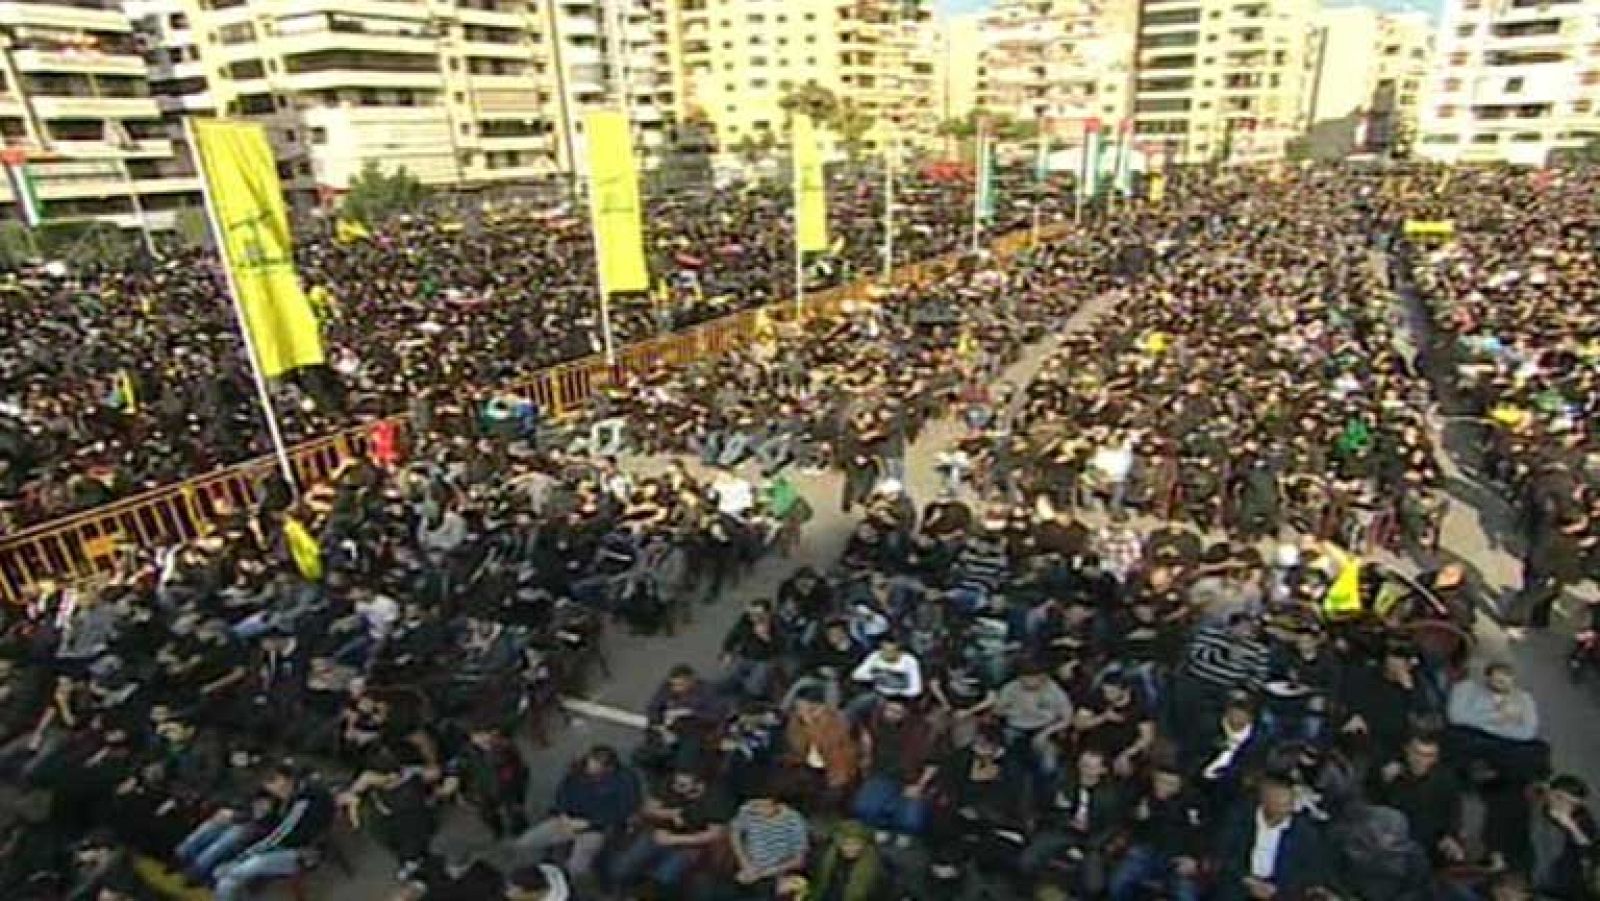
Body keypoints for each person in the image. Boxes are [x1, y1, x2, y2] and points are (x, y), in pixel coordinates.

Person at [507, 745, 641, 881]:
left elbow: (623, 811)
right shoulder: (576, 771)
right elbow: (562, 794)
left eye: (598, 766)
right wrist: (564, 814)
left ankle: (563, 880)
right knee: (526, 842)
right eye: (591, 763)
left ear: (610, 768)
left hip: (597, 828)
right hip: (567, 820)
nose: (591, 768)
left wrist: (590, 823)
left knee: (578, 865)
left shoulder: (625, 781)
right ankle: (536, 871)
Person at [211, 766, 335, 901]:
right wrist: (263, 817)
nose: (272, 788)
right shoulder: (291, 793)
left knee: (229, 877)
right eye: (268, 784)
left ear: (288, 778)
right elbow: (277, 828)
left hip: (304, 853)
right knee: (231, 877)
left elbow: (280, 835)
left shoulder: (305, 799)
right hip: (287, 844)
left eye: (274, 781)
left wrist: (241, 859)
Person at [608, 768, 733, 891]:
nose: (676, 787)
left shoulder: (715, 798)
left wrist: (674, 839)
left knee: (663, 877)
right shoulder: (669, 784)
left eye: (682, 785)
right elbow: (648, 809)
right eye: (675, 783)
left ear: (699, 785)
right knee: (622, 867)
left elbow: (715, 834)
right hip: (661, 832)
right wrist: (669, 814)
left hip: (692, 843)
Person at [1212, 775, 1328, 901]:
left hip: (1279, 891)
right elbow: (1224, 853)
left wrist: (1277, 890)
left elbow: (1308, 872)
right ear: (1264, 801)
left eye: (1289, 804)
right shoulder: (1239, 817)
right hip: (1239, 883)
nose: (1287, 810)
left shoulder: (1304, 832)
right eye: (1281, 805)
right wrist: (1247, 880)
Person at [1109, 763, 1204, 901]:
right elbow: (1125, 823)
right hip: (1145, 851)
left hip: (1177, 857)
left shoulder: (1193, 802)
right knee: (1118, 884)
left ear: (1179, 785)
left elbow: (1201, 835)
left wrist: (1194, 859)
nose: (1163, 787)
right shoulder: (1143, 794)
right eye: (1160, 782)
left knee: (1186, 896)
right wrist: (1137, 817)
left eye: (1169, 784)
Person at [728, 789, 810, 895]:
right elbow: (734, 833)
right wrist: (745, 863)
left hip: (778, 873)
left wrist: (763, 873)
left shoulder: (794, 820)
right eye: (753, 804)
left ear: (774, 802)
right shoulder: (748, 810)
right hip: (750, 867)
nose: (754, 809)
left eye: (759, 805)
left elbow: (799, 860)